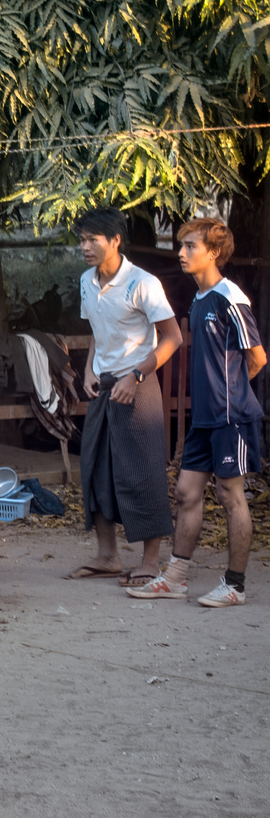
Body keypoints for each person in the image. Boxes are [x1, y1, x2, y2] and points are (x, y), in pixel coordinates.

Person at [127, 217, 264, 608]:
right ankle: (176, 577)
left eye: (190, 246)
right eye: (181, 245)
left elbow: (257, 358)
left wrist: (232, 397)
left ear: (214, 252)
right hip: (203, 420)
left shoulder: (230, 297)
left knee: (230, 494)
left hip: (229, 418)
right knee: (186, 493)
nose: (181, 253)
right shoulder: (199, 298)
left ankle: (235, 585)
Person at [68, 209, 181, 584]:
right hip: (103, 383)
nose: (85, 247)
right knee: (96, 467)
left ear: (115, 240)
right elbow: (99, 333)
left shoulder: (142, 283)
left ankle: (150, 561)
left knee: (142, 471)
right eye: (82, 240)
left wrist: (136, 375)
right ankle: (107, 556)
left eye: (92, 240)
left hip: (139, 384)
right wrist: (88, 370)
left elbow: (172, 338)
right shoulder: (86, 280)